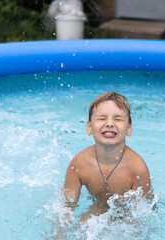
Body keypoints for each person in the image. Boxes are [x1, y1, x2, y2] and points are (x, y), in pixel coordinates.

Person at [63, 92, 153, 221]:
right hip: (98, 206)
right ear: (89, 127)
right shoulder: (79, 164)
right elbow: (67, 207)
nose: (109, 123)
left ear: (129, 128)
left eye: (118, 119)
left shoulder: (137, 169)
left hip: (127, 213)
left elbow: (143, 213)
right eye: (101, 118)